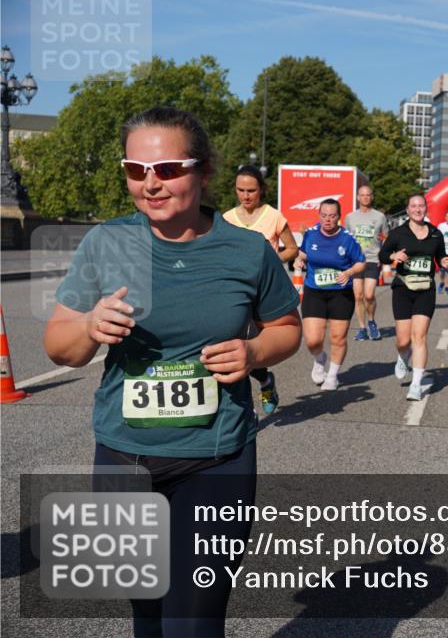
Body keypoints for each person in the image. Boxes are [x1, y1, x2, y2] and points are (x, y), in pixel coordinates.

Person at [44, 106, 302, 637]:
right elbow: (59, 347)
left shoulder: (246, 250)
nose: (150, 184)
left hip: (216, 459)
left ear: (204, 171)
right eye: (135, 170)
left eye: (167, 169)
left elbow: (287, 329)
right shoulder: (108, 242)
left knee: (194, 620)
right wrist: (90, 326)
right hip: (123, 456)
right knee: (148, 611)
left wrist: (254, 354)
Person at [222, 165, 299, 415]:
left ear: (261, 190)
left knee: (252, 344)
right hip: (234, 289)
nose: (246, 196)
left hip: (263, 291)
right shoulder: (226, 219)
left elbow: (292, 248)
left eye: (251, 190)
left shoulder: (273, 216)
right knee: (234, 342)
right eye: (241, 190)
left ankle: (265, 381)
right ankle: (248, 409)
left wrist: (272, 258)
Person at [379, 194, 448, 401]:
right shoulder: (398, 233)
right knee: (403, 340)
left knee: (419, 337)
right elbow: (383, 255)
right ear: (408, 210)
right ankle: (403, 356)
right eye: (414, 206)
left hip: (425, 290)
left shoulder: (436, 234)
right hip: (403, 288)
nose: (418, 209)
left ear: (426, 209)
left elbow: (440, 257)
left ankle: (416, 384)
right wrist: (394, 256)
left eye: (421, 206)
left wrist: (445, 262)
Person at [296, 199, 366, 391]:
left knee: (338, 337)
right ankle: (320, 358)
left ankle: (333, 375)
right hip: (314, 291)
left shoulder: (347, 238)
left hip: (341, 294)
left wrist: (349, 273)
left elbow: (361, 263)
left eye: (332, 216)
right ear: (319, 215)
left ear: (339, 217)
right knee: (313, 340)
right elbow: (303, 254)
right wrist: (299, 261)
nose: (328, 220)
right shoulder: (310, 234)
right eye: (324, 215)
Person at [343, 184, 389, 342]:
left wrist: (384, 257)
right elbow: (346, 239)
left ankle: (372, 321)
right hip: (355, 261)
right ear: (358, 197)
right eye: (362, 195)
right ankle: (362, 328)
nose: (365, 198)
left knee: (369, 295)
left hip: (373, 259)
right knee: (358, 296)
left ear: (372, 197)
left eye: (368, 195)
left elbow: (387, 238)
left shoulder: (380, 217)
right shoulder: (350, 217)